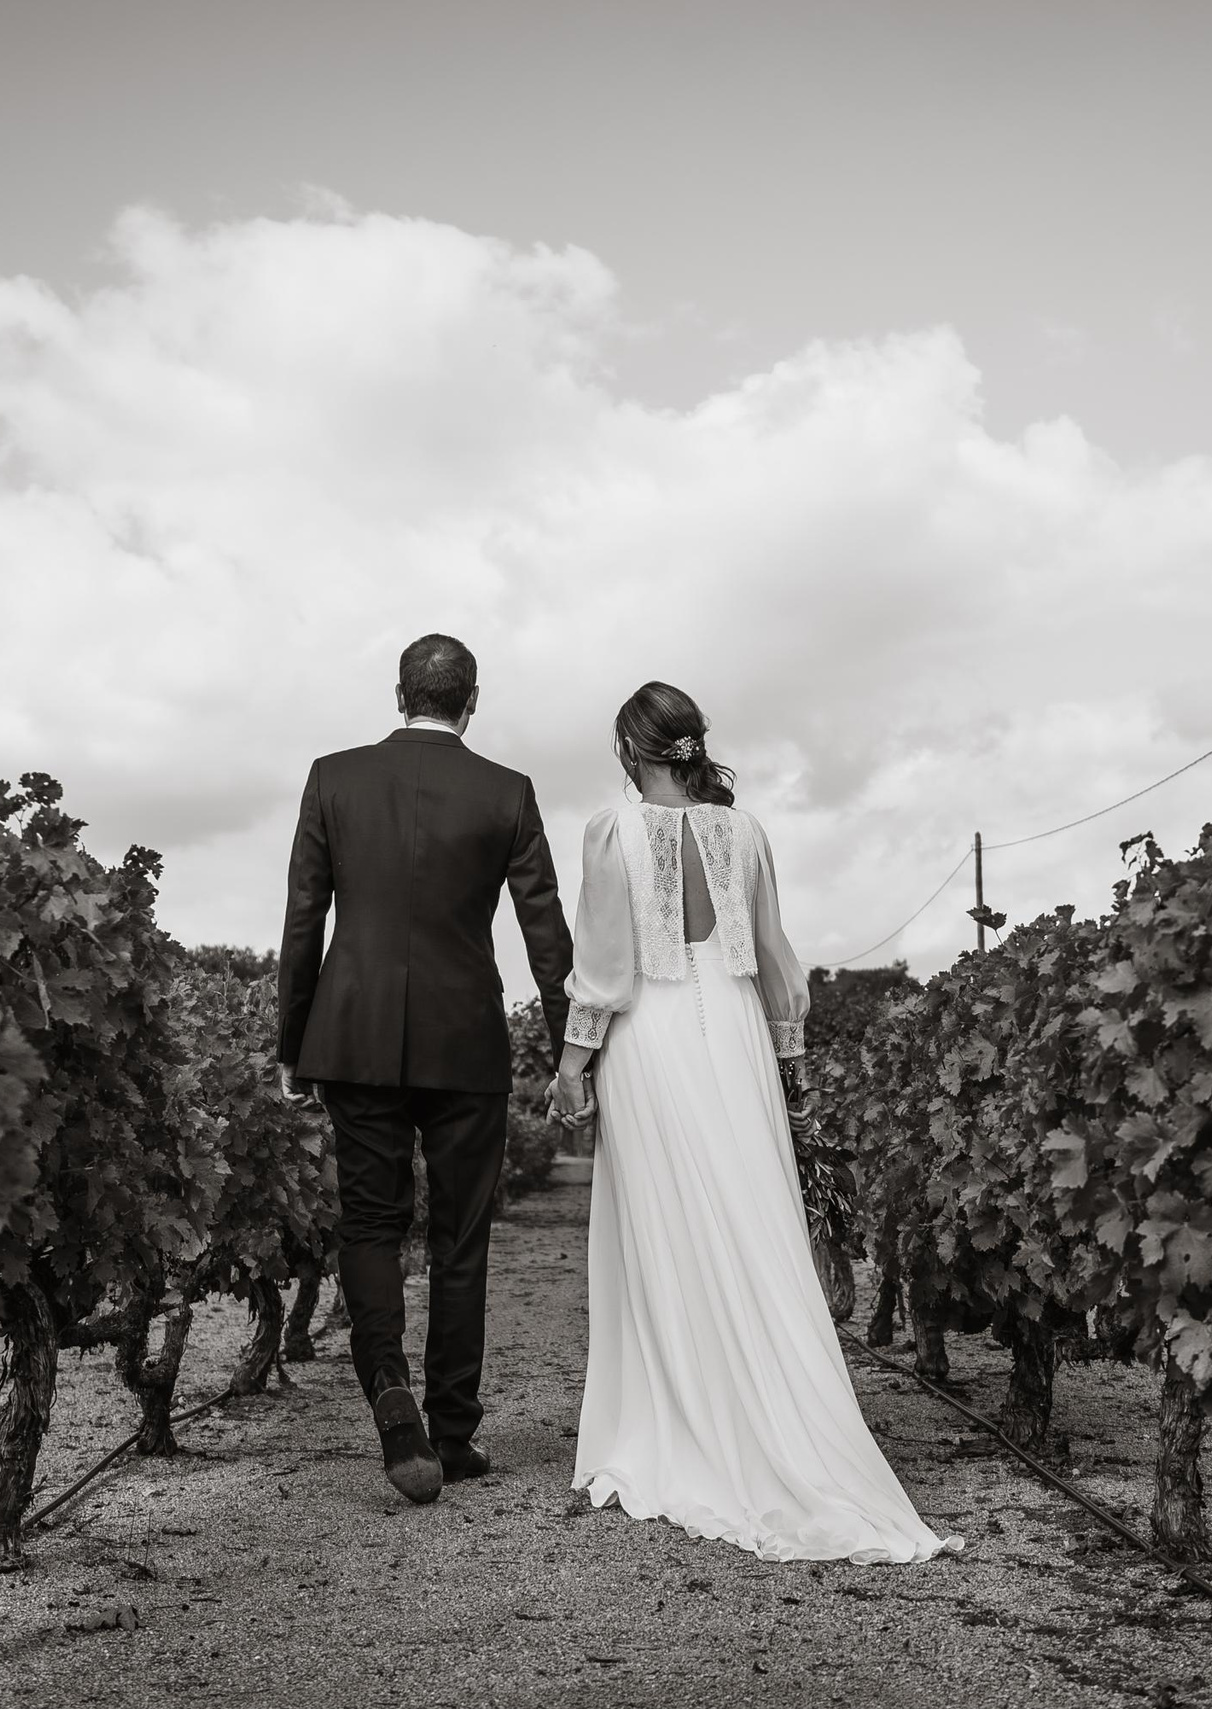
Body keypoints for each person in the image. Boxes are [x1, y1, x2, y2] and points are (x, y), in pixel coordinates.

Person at [553, 682, 961, 1563]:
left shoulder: (608, 830)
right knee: (751, 1217)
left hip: (648, 1040)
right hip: (735, 1037)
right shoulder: (748, 834)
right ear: (691, 747)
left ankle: (683, 1422)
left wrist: (573, 1062)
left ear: (633, 750)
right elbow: (781, 962)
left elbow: (606, 965)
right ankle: (782, 1416)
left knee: (666, 1225)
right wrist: (791, 1060)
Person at [276, 633, 573, 1504]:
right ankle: (451, 1430)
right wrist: (570, 1054)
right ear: (471, 699)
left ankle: (388, 1393)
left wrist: (293, 1041)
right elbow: (544, 934)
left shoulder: (332, 776)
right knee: (459, 1238)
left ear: (397, 693)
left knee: (370, 1224)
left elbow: (303, 918)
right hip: (464, 1042)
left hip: (356, 1037)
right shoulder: (507, 791)